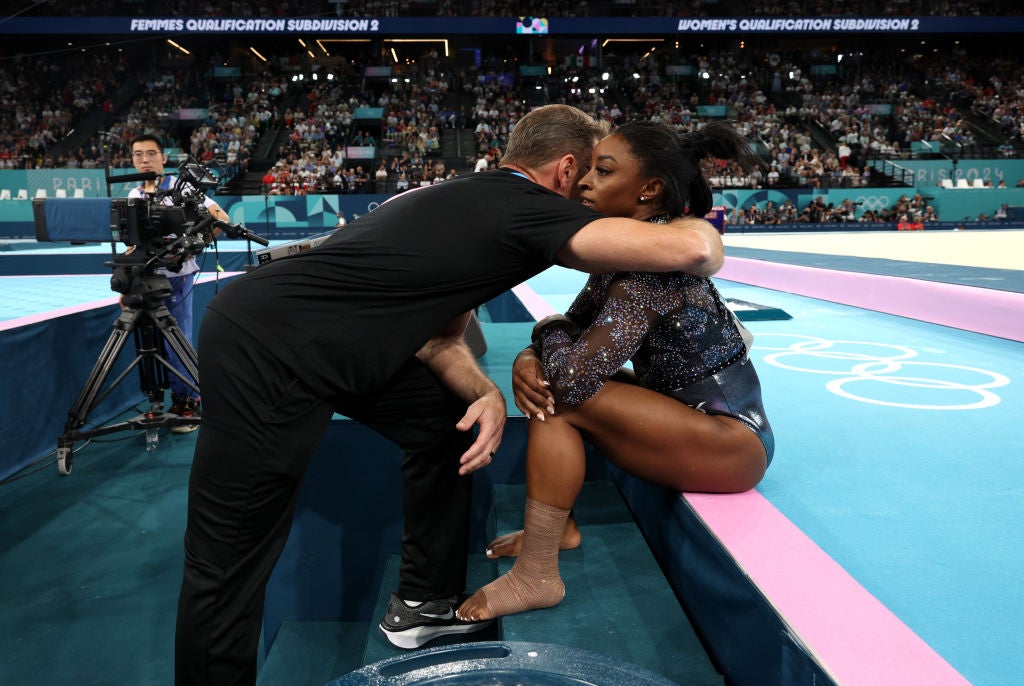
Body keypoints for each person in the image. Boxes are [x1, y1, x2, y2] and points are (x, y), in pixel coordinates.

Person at [174, 104, 730, 686]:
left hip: (322, 344)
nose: (590, 187)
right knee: (228, 559)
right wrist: (690, 215)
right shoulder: (526, 208)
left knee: (447, 420)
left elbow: (441, 340)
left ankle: (423, 605)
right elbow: (696, 253)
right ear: (565, 169)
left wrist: (485, 392)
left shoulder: (463, 200)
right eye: (590, 172)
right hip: (269, 349)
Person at [456, 121, 775, 623]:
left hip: (731, 442)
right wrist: (533, 351)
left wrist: (538, 340)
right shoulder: (630, 253)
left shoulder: (650, 271)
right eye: (585, 169)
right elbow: (572, 329)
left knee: (559, 400)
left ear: (649, 190)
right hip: (692, 415)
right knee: (554, 389)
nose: (583, 181)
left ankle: (539, 572)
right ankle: (555, 533)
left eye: (602, 171)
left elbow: (571, 374)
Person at [127, 134, 230, 432]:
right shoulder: (133, 195)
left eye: (150, 154)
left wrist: (192, 246)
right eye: (137, 155)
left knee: (176, 341)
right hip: (145, 279)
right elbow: (132, 243)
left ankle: (188, 401)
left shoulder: (180, 187)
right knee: (151, 343)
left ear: (162, 158)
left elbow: (220, 217)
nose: (144, 159)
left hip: (177, 277)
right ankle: (160, 399)